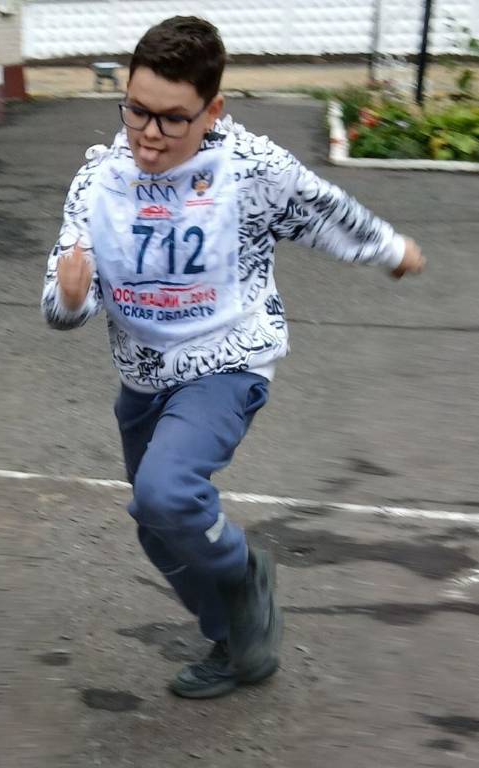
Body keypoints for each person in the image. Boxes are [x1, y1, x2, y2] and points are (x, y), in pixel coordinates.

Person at [41, 16, 426, 700]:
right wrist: (71, 297)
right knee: (157, 527)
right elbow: (63, 300)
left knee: (166, 493)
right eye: (136, 110)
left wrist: (390, 249)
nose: (149, 134)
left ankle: (245, 571)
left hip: (226, 360)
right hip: (142, 376)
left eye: (172, 119)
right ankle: (233, 640)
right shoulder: (101, 180)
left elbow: (321, 208)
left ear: (212, 110)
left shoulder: (248, 168)